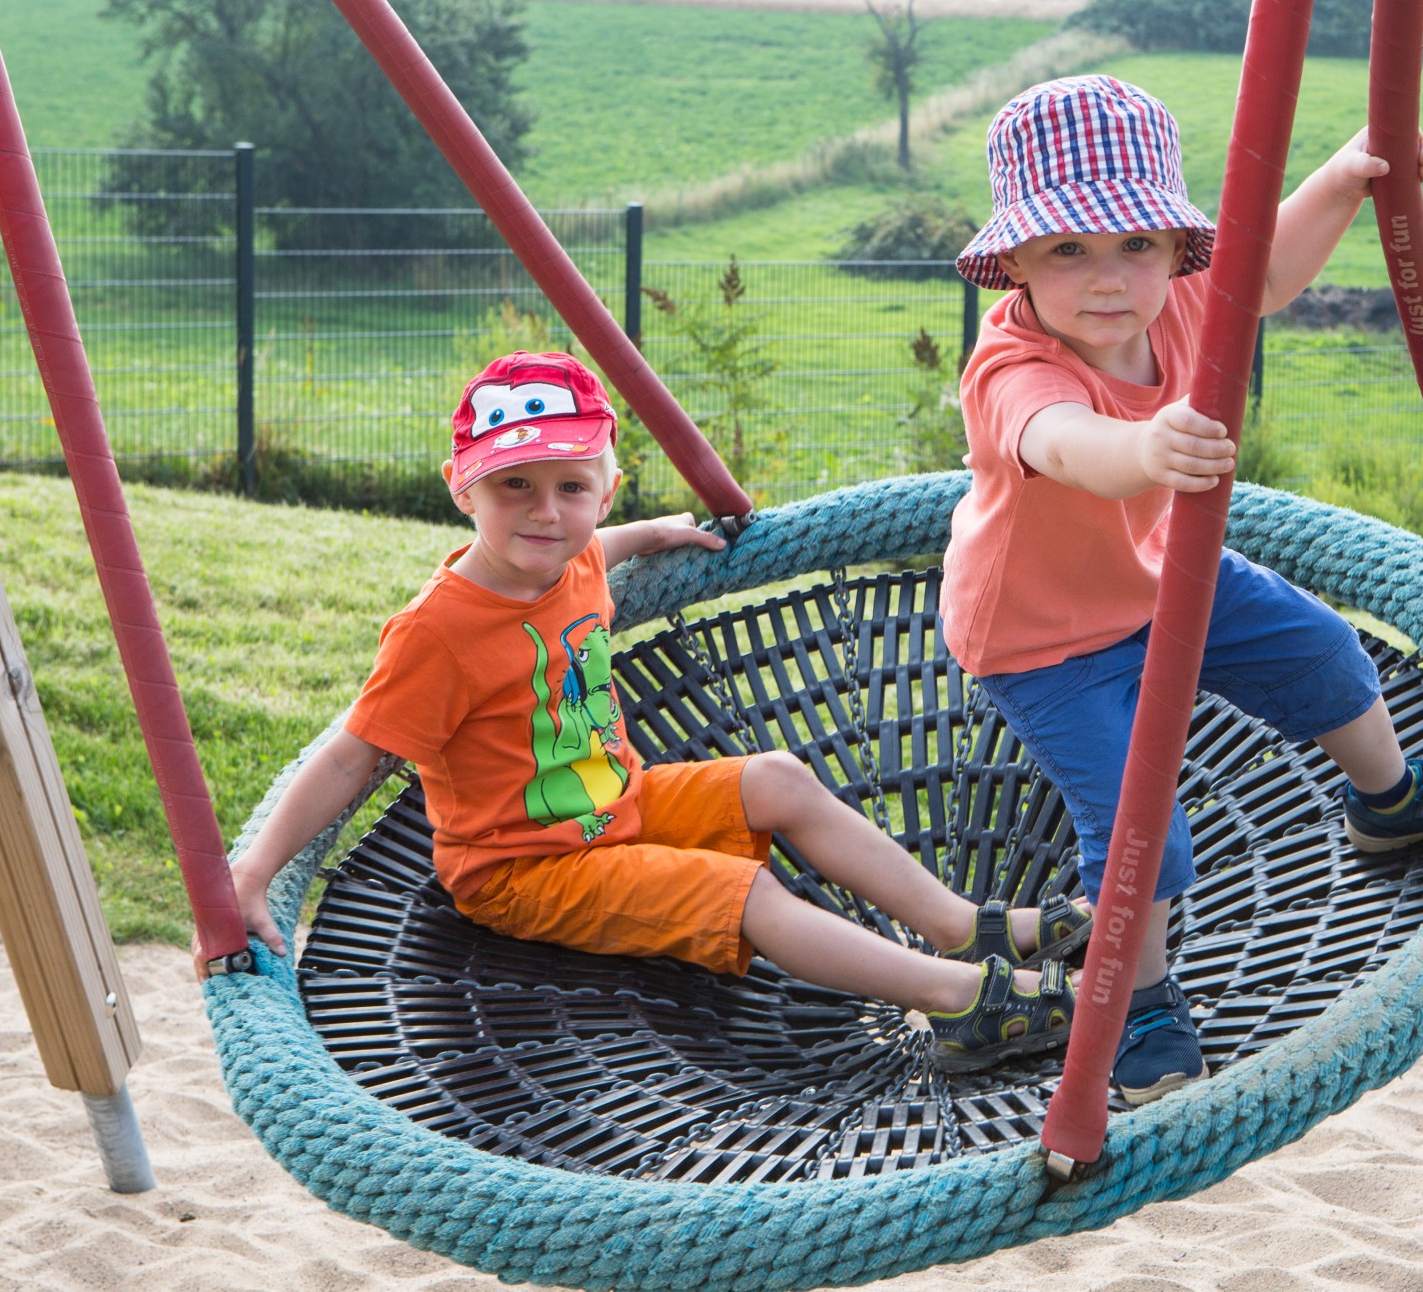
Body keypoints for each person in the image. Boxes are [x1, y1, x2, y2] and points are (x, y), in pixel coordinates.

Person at [207, 352, 1089, 1075]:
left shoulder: (576, 556)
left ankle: (960, 925)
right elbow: (349, 759)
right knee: (743, 893)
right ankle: (959, 1002)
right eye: (513, 486)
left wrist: (651, 532)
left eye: (571, 487)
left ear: (605, 485)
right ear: (461, 489)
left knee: (778, 777)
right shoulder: (437, 633)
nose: (545, 514)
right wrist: (252, 872)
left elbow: (597, 547)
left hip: (620, 802)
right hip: (524, 867)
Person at [944, 75, 1423, 1106]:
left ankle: (1387, 800)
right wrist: (1146, 444)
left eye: (1135, 245)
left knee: (1324, 651)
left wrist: (1343, 176)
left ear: (1170, 246)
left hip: (1164, 582)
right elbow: (1066, 446)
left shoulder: (1181, 295)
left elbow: (1270, 268)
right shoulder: (1012, 364)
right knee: (1142, 822)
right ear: (1013, 262)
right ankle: (1137, 998)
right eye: (1069, 250)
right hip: (1040, 639)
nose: (1108, 279)